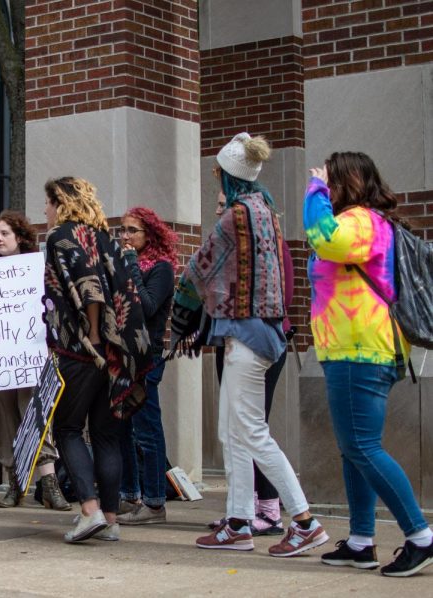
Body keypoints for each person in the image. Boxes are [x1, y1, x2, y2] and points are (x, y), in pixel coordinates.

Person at [172, 133, 327, 556]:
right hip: (263, 333)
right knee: (233, 432)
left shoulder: (235, 217)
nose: (215, 178)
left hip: (244, 335)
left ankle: (304, 521)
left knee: (253, 433)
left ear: (229, 175)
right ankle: (238, 523)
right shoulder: (266, 210)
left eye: (218, 172)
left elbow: (197, 270)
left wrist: (177, 321)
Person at [304, 152, 433, 577]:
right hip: (351, 350)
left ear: (348, 183)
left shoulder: (360, 220)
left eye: (332, 179)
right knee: (353, 448)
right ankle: (361, 540)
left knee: (362, 446)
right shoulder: (363, 221)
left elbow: (325, 239)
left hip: (360, 349)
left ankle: (421, 536)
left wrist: (315, 190)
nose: (327, 184)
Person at [42, 177, 151, 543]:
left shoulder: (62, 237)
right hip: (117, 354)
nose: (45, 210)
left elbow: (90, 287)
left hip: (81, 350)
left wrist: (91, 334)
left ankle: (88, 511)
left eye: (48, 202)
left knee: (68, 428)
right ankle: (110, 519)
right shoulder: (105, 238)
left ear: (61, 202)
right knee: (106, 436)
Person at [0, 210, 70, 511]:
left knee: (35, 415)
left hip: (31, 356)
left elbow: (53, 308)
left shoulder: (37, 270)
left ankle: (49, 484)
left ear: (20, 237)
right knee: (5, 418)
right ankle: (16, 484)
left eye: (5, 233)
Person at [210, 238, 294, 537]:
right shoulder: (230, 245)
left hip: (255, 343)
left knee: (253, 431)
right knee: (233, 432)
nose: (221, 211)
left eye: (225, 205)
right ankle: (240, 516)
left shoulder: (270, 244)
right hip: (232, 340)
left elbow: (284, 296)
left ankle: (278, 513)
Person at [115, 207, 177, 526]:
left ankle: (154, 503)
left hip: (147, 358)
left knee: (148, 431)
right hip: (122, 357)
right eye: (122, 230)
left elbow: (149, 307)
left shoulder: (161, 269)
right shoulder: (126, 265)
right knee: (122, 427)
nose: (125, 236)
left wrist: (131, 268)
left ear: (149, 234)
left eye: (132, 230)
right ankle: (129, 495)